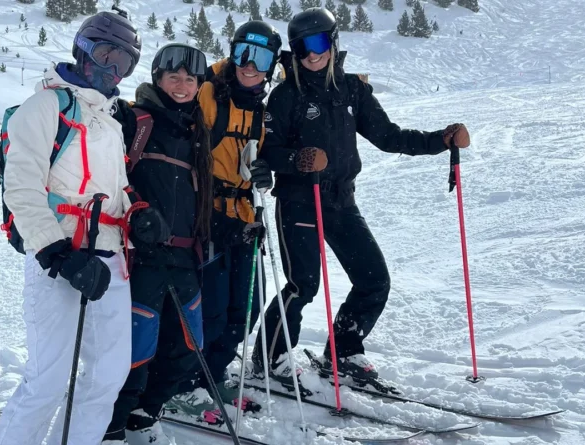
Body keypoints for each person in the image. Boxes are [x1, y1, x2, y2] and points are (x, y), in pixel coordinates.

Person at [252, 8, 471, 386]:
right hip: (299, 201)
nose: (312, 54)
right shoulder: (284, 96)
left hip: (341, 200)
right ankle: (269, 358)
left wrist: (442, 140)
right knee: (302, 285)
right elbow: (266, 151)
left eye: (319, 43)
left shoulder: (353, 89)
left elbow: (390, 136)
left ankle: (344, 350)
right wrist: (298, 160)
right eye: (302, 47)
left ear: (333, 42)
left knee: (374, 279)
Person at [0, 8, 143, 445]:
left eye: (124, 62)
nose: (113, 69)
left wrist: (138, 214)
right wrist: (58, 255)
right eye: (107, 53)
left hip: (109, 260)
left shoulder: (110, 121)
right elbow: (21, 188)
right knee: (48, 380)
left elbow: (115, 190)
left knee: (107, 378)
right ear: (83, 49)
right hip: (57, 258)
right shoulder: (45, 106)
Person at [101, 44, 213, 445]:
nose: (182, 86)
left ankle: (143, 415)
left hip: (185, 255)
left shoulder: (197, 129)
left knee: (188, 346)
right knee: (136, 350)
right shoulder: (135, 119)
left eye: (190, 80)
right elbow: (90, 159)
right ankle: (110, 428)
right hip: (140, 256)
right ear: (157, 78)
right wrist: (7, 153)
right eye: (174, 78)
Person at [173, 21, 281, 413]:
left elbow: (254, 157)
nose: (250, 65)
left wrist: (266, 167)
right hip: (208, 218)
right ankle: (186, 382)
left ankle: (213, 375)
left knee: (247, 308)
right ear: (232, 53)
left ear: (272, 65)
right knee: (212, 312)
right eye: (243, 54)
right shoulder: (207, 92)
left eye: (261, 58)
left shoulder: (258, 108)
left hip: (244, 218)